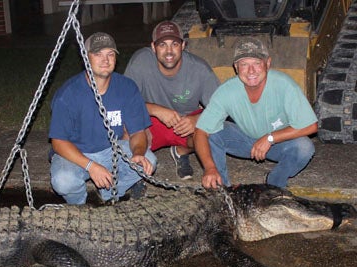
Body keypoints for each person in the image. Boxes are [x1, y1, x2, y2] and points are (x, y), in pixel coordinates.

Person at [195, 37, 318, 189]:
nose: (251, 71)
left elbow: (311, 126)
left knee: (304, 147)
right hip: (245, 139)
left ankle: (275, 184)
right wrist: (209, 168)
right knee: (212, 133)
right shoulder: (226, 91)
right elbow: (201, 131)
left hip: (278, 143)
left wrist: (270, 138)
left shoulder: (285, 85)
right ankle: (221, 188)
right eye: (244, 64)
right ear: (236, 67)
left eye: (257, 63)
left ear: (267, 63)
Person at [49, 32, 157, 205]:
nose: (105, 60)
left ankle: (108, 196)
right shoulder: (68, 94)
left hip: (111, 150)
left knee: (148, 161)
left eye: (110, 54)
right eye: (98, 54)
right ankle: (79, 207)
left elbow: (138, 131)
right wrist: (91, 166)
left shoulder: (127, 87)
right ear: (86, 58)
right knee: (63, 181)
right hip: (76, 153)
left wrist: (137, 153)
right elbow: (58, 142)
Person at [124, 20, 220, 180]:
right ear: (153, 47)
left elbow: (220, 107)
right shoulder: (140, 62)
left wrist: (196, 119)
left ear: (183, 46)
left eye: (174, 44)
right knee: (127, 127)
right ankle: (134, 175)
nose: (169, 51)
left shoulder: (199, 68)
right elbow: (124, 103)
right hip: (151, 121)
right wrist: (155, 110)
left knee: (212, 131)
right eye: (162, 45)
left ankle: (180, 152)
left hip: (184, 121)